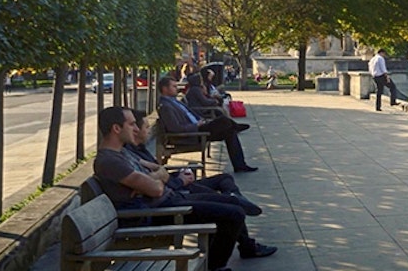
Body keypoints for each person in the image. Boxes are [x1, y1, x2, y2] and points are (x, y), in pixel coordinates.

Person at [93, 106, 276, 269]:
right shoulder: (109, 161)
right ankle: (215, 266)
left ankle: (233, 210)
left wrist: (151, 179)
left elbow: (159, 170)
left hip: (169, 200)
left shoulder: (122, 152)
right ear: (116, 129)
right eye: (131, 124)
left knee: (229, 204)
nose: (136, 128)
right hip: (156, 212)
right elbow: (156, 188)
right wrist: (154, 179)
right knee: (233, 214)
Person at [127, 114, 264, 216]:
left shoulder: (138, 150)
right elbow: (154, 184)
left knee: (225, 178)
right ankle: (234, 199)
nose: (150, 130)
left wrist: (174, 175)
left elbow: (158, 173)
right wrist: (179, 179)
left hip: (174, 186)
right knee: (230, 206)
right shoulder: (124, 156)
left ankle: (235, 195)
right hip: (175, 191)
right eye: (146, 127)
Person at [157, 75, 258, 172]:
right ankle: (236, 127)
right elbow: (175, 128)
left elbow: (190, 114)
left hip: (199, 127)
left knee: (230, 131)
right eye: (173, 86)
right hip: (193, 134)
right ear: (165, 89)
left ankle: (240, 165)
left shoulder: (174, 101)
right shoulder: (166, 106)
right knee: (224, 120)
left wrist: (201, 120)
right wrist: (196, 125)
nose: (177, 88)